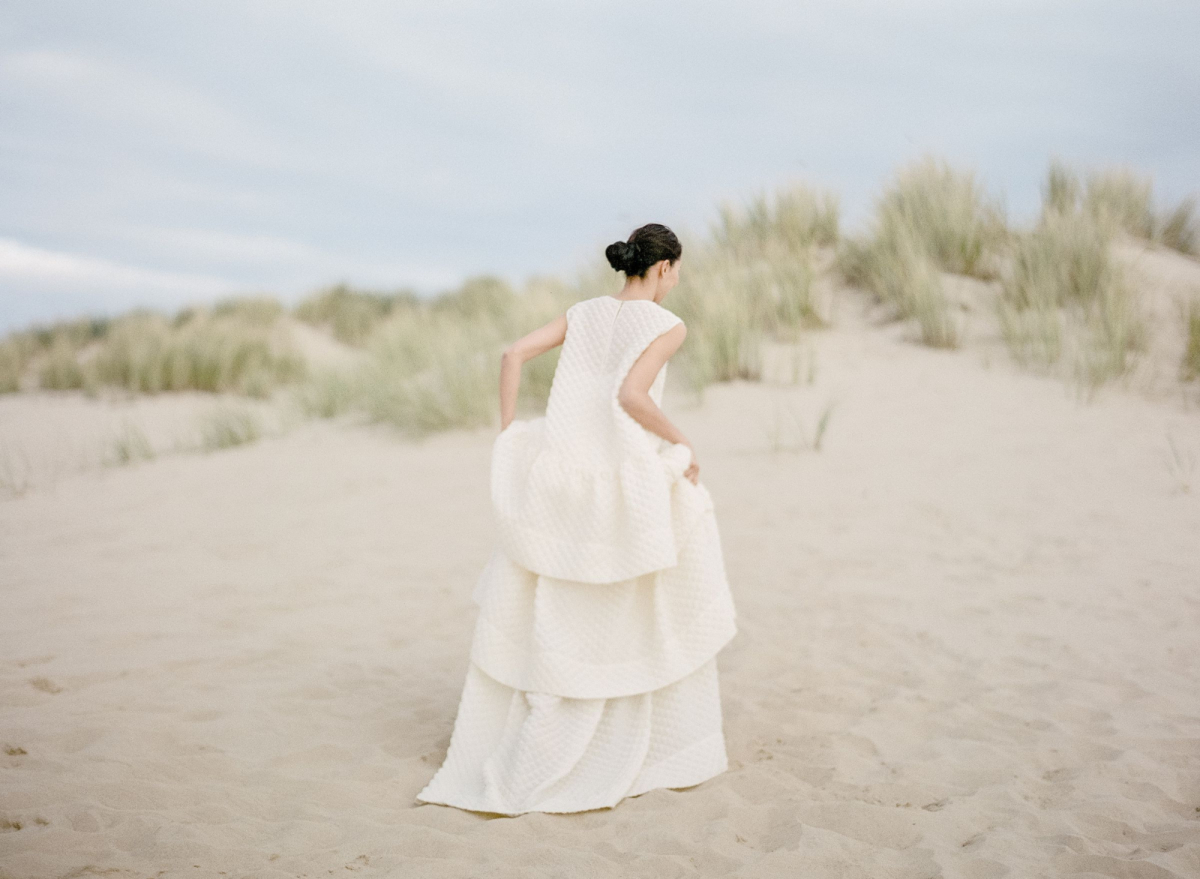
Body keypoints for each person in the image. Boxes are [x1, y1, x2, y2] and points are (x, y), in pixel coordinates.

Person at [415, 223, 738, 816]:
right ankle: (644, 743)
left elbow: (513, 354)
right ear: (664, 268)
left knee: (563, 604)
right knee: (644, 600)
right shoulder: (667, 325)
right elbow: (633, 399)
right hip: (620, 480)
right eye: (677, 273)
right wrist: (684, 444)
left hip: (560, 478)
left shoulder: (585, 311)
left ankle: (546, 727)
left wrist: (509, 431)